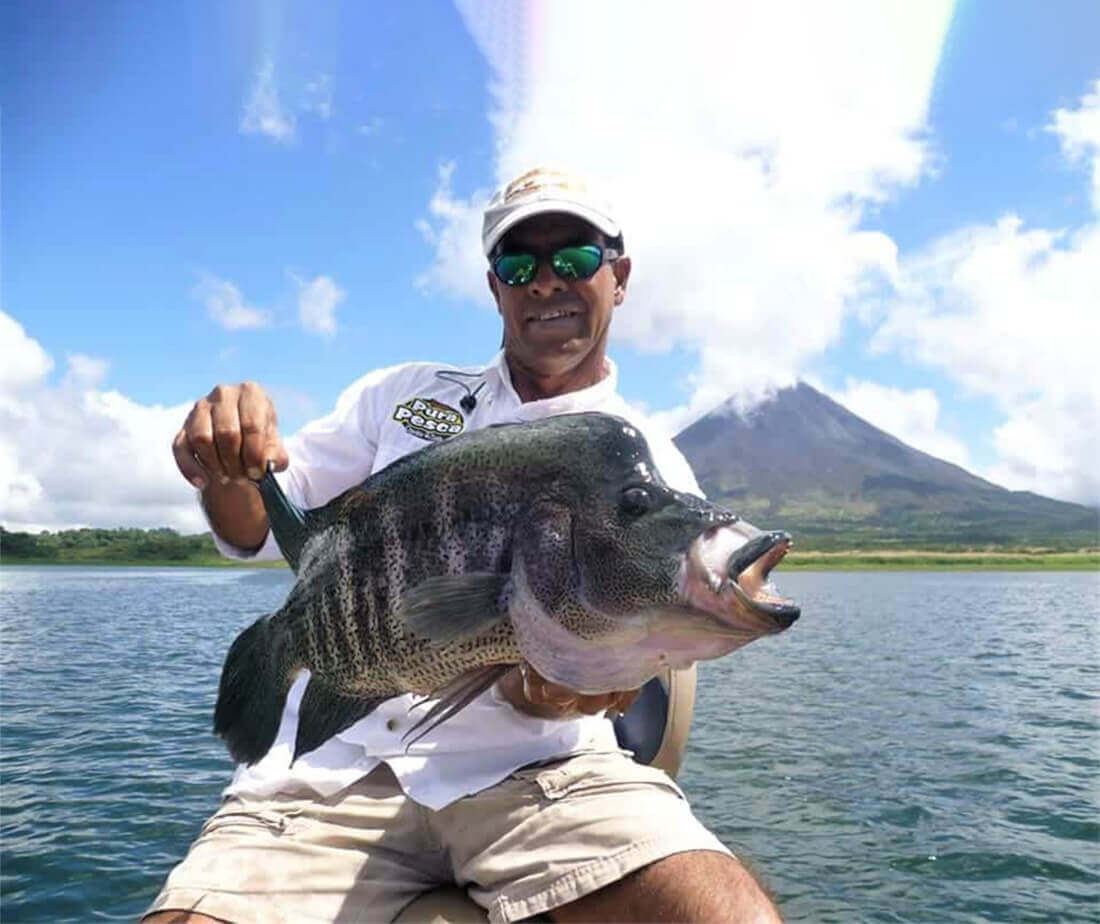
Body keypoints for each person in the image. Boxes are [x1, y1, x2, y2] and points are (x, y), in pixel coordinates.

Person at [148, 167, 782, 923]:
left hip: (539, 777)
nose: (545, 281)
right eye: (519, 264)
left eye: (575, 259)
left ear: (619, 276)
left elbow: (612, 660)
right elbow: (252, 529)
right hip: (325, 779)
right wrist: (226, 461)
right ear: (494, 288)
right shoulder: (403, 396)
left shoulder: (652, 461)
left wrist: (555, 688)